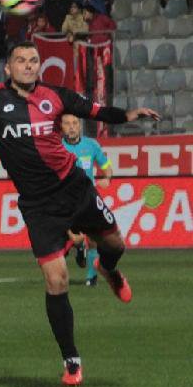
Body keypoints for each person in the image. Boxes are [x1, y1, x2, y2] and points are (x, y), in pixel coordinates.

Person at [0, 41, 159, 385]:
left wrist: (126, 114)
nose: (28, 66)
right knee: (57, 279)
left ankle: (108, 269)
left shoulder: (56, 96)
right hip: (38, 207)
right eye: (20, 61)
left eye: (33, 61)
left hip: (75, 189)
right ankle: (72, 361)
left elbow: (96, 111)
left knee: (115, 245)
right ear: (7, 68)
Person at [61, 114, 113, 286]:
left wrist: (107, 178)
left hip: (88, 199)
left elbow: (106, 167)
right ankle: (76, 246)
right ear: (61, 126)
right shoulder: (56, 147)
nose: (71, 127)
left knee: (93, 240)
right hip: (64, 201)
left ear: (80, 126)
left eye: (75, 123)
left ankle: (91, 278)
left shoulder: (91, 145)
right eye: (67, 123)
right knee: (62, 246)